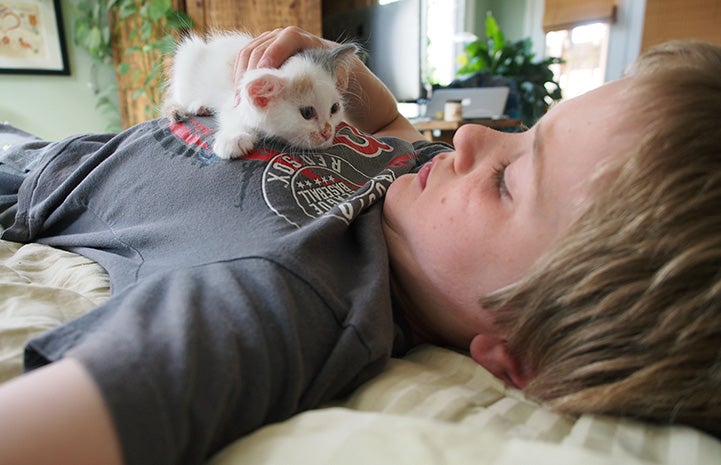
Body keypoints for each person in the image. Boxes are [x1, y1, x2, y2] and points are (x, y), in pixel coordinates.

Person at [0, 26, 719, 465]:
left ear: (516, 355)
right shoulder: (421, 185)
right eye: (525, 130)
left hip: (34, 179)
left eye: (507, 181)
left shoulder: (297, 291)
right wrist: (341, 78)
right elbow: (395, 129)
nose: (468, 138)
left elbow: (96, 407)